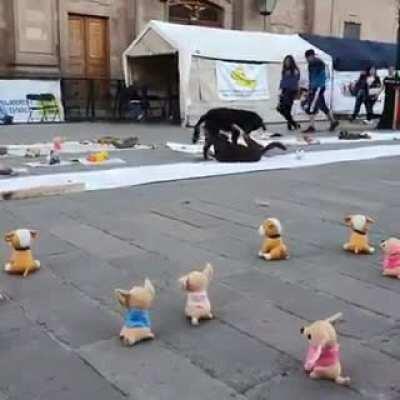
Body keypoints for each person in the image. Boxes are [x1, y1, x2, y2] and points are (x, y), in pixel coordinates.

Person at [302, 49, 338, 141]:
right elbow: (311, 77)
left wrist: (315, 87)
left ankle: (312, 126)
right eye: (306, 58)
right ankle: (333, 121)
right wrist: (310, 87)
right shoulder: (311, 64)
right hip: (315, 87)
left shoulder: (318, 63)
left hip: (318, 87)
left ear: (312, 56)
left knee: (311, 106)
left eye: (308, 57)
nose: (307, 60)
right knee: (322, 105)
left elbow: (319, 76)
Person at [277, 55, 301, 130]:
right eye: (286, 61)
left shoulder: (295, 70)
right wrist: (281, 91)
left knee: (286, 108)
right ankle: (292, 123)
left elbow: (295, 81)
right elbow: (283, 80)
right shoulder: (284, 70)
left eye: (288, 61)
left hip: (291, 91)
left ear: (291, 62)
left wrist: (296, 92)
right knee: (281, 108)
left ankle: (292, 123)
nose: (287, 63)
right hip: (285, 91)